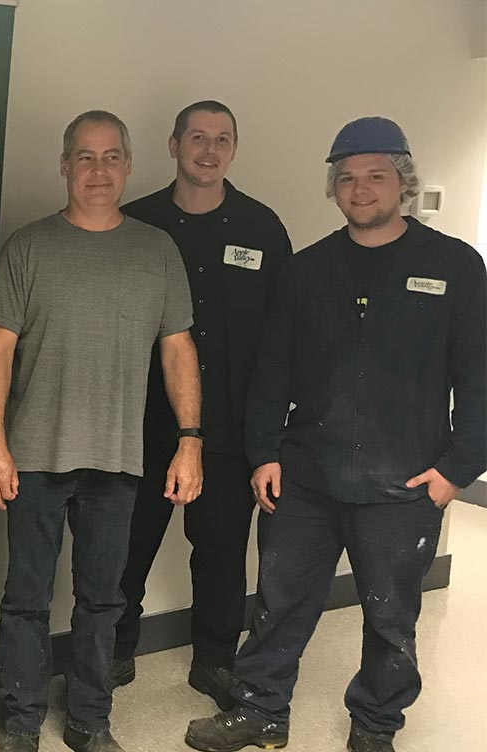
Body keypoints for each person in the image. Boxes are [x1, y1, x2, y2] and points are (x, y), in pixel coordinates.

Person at [185, 117, 486, 752]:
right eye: (346, 177)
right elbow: (272, 370)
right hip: (306, 477)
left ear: (402, 181)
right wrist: (264, 452)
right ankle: (261, 710)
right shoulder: (307, 270)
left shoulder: (455, 266)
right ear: (333, 187)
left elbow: (480, 374)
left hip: (404, 482)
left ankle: (376, 725)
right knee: (277, 602)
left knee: (391, 616)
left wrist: (460, 467)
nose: (360, 188)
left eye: (376, 175)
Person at [0, 110, 203, 752]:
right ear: (64, 165)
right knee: (25, 597)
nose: (98, 169)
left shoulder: (157, 250)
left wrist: (190, 438)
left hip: (117, 458)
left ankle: (88, 719)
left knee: (103, 600)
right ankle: (21, 721)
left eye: (110, 157)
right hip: (34, 456)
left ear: (129, 165)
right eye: (84, 156)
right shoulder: (28, 247)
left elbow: (177, 348)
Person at [112, 101, 292, 704]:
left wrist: (271, 431)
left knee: (219, 556)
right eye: (197, 138)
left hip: (230, 430)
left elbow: (281, 336)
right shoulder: (134, 224)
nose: (209, 151)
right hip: (139, 425)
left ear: (233, 150)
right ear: (173, 145)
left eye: (222, 140)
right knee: (125, 547)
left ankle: (214, 660)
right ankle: (112, 652)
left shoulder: (264, 229)